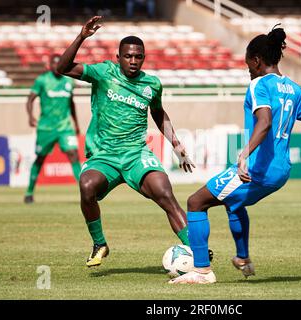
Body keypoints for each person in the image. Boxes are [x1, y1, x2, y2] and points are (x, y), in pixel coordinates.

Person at [170, 25, 301, 284]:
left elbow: (264, 122)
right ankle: (242, 259)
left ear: (257, 61)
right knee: (234, 202)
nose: (247, 70)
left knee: (195, 202)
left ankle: (202, 271)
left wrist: (244, 155)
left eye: (248, 65)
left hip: (257, 168)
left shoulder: (259, 85)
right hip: (281, 171)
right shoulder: (294, 89)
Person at [57, 16, 198, 267]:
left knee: (165, 193)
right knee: (87, 186)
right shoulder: (103, 73)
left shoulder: (151, 84)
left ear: (143, 58)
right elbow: (62, 68)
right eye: (128, 56)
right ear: (118, 57)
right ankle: (100, 244)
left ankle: (196, 250)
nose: (133, 61)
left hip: (136, 155)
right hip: (104, 155)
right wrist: (81, 37)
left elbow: (158, 112)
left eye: (138, 56)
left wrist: (177, 145)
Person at [24, 54, 81, 204]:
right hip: (46, 128)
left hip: (65, 127)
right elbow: (30, 99)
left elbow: (71, 103)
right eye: (54, 64)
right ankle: (29, 192)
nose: (57, 66)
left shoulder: (69, 81)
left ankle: (85, 192)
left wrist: (76, 123)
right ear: (49, 65)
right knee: (40, 158)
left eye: (59, 63)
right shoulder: (42, 80)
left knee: (74, 154)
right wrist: (30, 116)